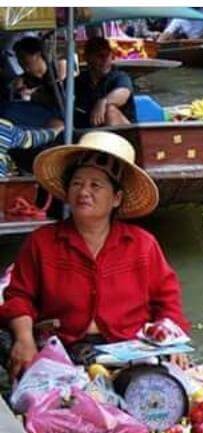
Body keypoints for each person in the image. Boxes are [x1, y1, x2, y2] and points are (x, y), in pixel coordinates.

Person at [0, 131, 190, 375]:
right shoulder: (42, 241)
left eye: (95, 185)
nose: (84, 192)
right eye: (77, 183)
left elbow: (168, 302)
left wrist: (173, 342)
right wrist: (24, 339)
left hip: (129, 349)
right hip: (61, 346)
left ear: (116, 198)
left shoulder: (143, 244)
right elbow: (19, 297)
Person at [75, 37, 135, 127]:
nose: (105, 60)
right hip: (86, 134)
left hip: (123, 137)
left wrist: (104, 102)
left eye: (108, 55)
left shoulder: (119, 76)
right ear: (87, 57)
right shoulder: (79, 81)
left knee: (110, 111)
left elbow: (123, 92)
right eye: (100, 56)